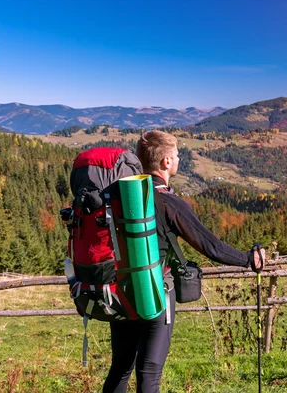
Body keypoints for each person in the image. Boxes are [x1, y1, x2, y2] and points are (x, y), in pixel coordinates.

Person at [103, 130, 265, 393]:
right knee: (149, 375)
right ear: (166, 162)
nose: (178, 159)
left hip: (121, 291)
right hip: (156, 293)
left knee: (120, 370)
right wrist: (248, 259)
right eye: (177, 155)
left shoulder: (124, 196)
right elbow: (210, 245)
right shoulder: (168, 201)